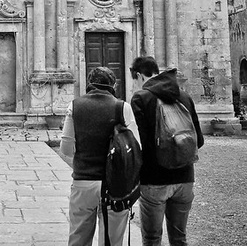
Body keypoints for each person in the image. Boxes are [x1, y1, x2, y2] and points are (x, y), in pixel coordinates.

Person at [60, 66, 141, 246]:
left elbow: (65, 148)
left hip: (83, 182)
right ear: (113, 85)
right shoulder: (122, 108)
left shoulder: (74, 106)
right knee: (111, 242)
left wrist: (82, 164)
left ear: (89, 83)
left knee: (78, 239)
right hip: (115, 186)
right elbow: (136, 147)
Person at [130, 56, 204, 246]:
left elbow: (141, 144)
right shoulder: (184, 96)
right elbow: (199, 140)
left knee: (152, 239)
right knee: (179, 238)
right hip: (185, 177)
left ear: (139, 76)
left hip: (154, 180)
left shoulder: (141, 98)